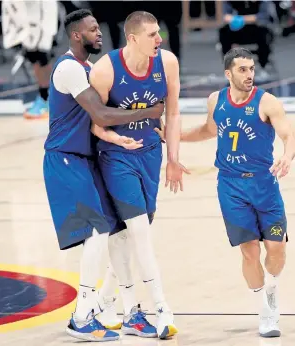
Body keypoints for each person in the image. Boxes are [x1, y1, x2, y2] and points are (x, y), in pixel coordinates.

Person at [43, 9, 166, 342]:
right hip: (67, 159)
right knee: (98, 231)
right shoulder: (69, 68)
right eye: (92, 29)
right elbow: (99, 113)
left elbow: (103, 122)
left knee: (118, 231)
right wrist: (149, 112)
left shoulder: (91, 69)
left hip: (90, 158)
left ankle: (129, 311)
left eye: (99, 28)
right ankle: (82, 314)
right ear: (75, 35)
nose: (99, 33)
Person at [176, 47, 295, 337]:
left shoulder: (266, 102)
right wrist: (175, 136)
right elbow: (209, 130)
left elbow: (289, 136)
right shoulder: (215, 100)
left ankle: (271, 287)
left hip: (264, 183)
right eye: (243, 70)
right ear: (228, 73)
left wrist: (287, 155)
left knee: (276, 249)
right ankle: (265, 311)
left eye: (252, 69)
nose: (249, 75)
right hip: (230, 185)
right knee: (249, 251)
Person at [88, 11, 188, 340]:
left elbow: (172, 113)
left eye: (159, 33)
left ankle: (103, 303)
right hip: (117, 157)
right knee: (140, 233)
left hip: (150, 154)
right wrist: (116, 139)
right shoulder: (106, 70)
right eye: (152, 35)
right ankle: (161, 309)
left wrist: (173, 158)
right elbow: (95, 122)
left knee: (127, 236)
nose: (159, 39)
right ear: (132, 38)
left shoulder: (167, 63)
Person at [219, 1, 274, 81]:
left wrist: (242, 19)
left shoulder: (262, 2)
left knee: (264, 33)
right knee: (223, 32)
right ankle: (229, 68)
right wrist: (234, 19)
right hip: (237, 30)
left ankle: (263, 66)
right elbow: (226, 16)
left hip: (255, 29)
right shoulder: (230, 2)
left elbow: (263, 16)